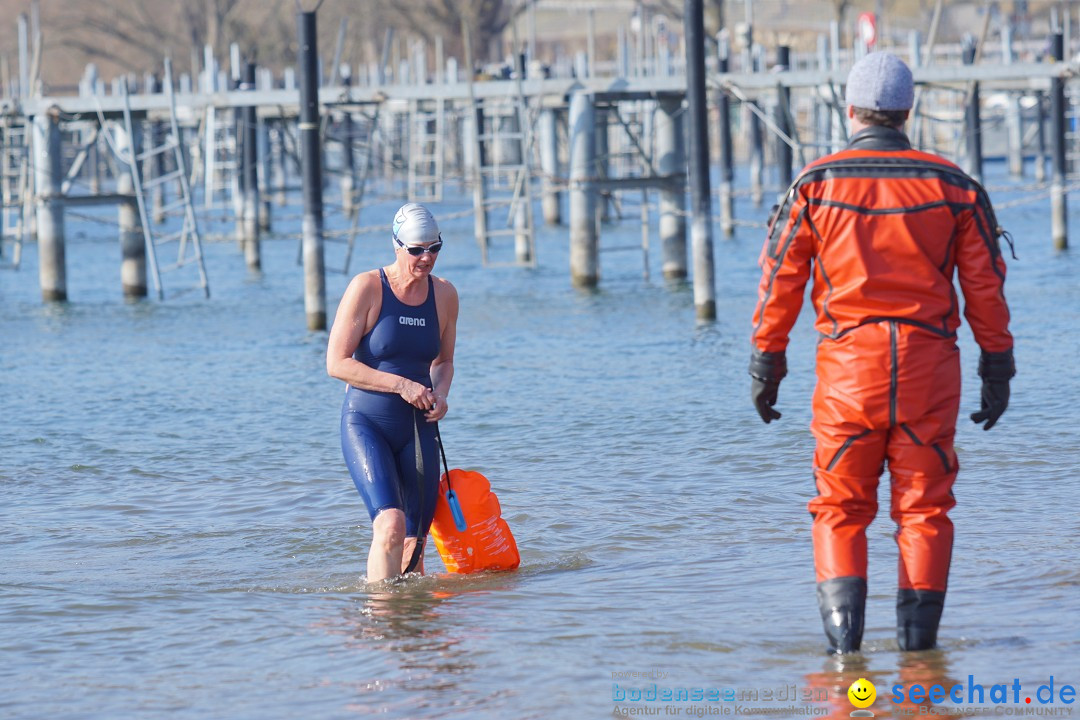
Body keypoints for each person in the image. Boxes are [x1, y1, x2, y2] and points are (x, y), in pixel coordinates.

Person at [748, 52, 1014, 653]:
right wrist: (997, 366)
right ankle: (921, 662)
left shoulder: (815, 184)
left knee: (840, 508)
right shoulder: (954, 187)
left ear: (851, 111)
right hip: (928, 372)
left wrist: (767, 363)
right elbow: (985, 289)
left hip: (848, 375)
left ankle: (846, 665)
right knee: (925, 512)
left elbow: (779, 284)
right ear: (908, 110)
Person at [327, 203, 459, 583]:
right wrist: (401, 385)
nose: (426, 258)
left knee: (415, 545)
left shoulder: (445, 295)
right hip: (368, 422)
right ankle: (380, 624)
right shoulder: (368, 287)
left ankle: (411, 634)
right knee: (390, 525)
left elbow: (444, 362)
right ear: (397, 245)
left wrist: (442, 394)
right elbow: (337, 363)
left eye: (434, 248)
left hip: (418, 429)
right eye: (416, 249)